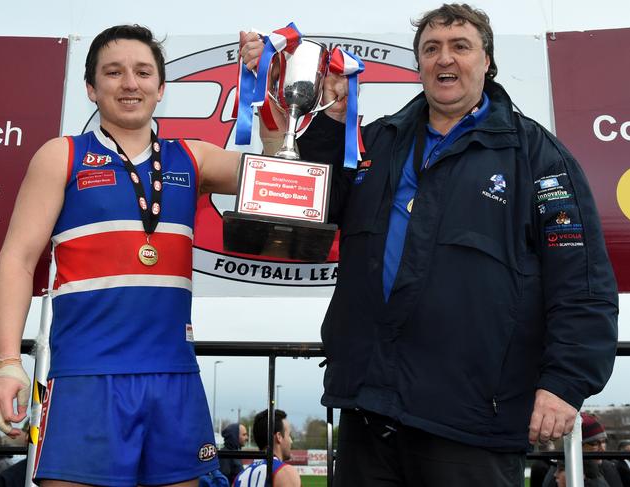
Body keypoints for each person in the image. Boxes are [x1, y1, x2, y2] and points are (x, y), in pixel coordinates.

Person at [241, 3, 619, 485]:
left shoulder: (538, 157)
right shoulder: (375, 142)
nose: (445, 59)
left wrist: (565, 384)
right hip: (369, 410)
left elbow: (582, 283)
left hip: (472, 422)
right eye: (431, 49)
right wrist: (328, 118)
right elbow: (314, 205)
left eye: (461, 47)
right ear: (418, 65)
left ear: (487, 61)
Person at [0, 24, 241, 486]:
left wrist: (275, 118)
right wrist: (7, 362)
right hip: (87, 376)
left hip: (174, 376)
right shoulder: (61, 156)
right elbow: (18, 261)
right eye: (114, 72)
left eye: (143, 72)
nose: (130, 83)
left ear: (161, 88)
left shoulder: (193, 157)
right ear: (92, 87)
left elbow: (280, 181)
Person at [542, 413, 622, 487]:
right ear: (578, 446)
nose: (602, 449)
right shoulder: (561, 472)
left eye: (604, 441)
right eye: (594, 443)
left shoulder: (608, 466)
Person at [233, 409, 300, 487]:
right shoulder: (286, 473)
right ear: (279, 437)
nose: (291, 441)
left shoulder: (239, 478)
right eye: (289, 435)